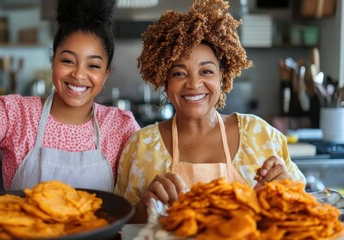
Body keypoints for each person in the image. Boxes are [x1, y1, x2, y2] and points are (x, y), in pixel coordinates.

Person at [0, 0, 140, 195]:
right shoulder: (13, 114)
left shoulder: (121, 127)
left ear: (106, 74)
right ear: (52, 62)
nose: (79, 74)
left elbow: (143, 196)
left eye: (93, 65)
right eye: (68, 61)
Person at [114, 0, 305, 222]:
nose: (194, 84)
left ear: (222, 76)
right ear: (164, 81)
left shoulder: (261, 135)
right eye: (179, 73)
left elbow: (304, 211)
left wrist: (287, 188)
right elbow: (120, 226)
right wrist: (141, 210)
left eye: (206, 71)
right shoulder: (141, 147)